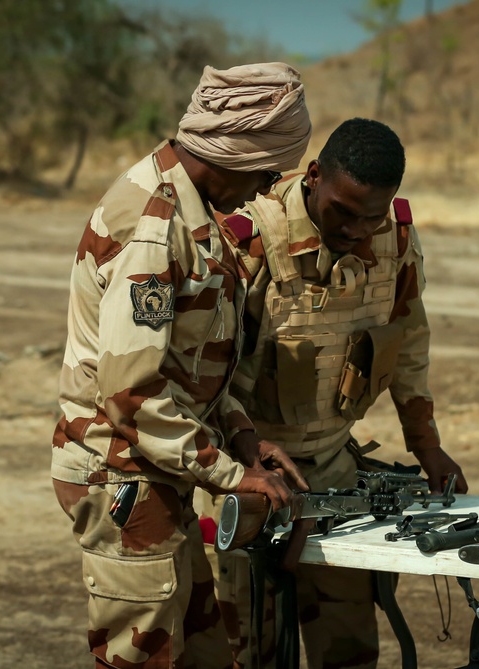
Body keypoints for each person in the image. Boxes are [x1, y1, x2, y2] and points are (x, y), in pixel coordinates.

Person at [50, 62, 313, 669]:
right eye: (266, 172)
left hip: (158, 471)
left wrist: (244, 436)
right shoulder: (153, 227)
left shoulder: (194, 214)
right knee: (144, 656)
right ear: (234, 152)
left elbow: (192, 367)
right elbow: (130, 393)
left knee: (203, 653)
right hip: (122, 477)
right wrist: (229, 474)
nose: (265, 189)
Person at [214, 118, 468, 669]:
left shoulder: (396, 238)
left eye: (371, 216)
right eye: (343, 212)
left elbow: (409, 340)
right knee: (249, 649)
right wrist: (246, 460)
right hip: (247, 474)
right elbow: (208, 377)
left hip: (334, 473)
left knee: (349, 648)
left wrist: (426, 444)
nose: (356, 229)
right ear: (313, 178)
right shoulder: (251, 240)